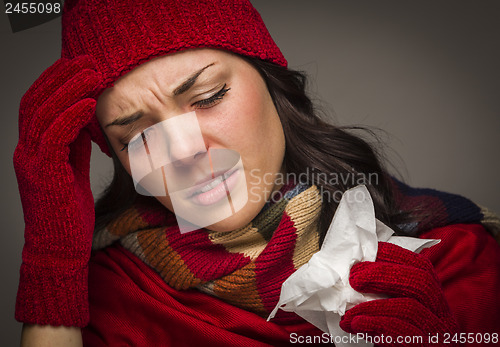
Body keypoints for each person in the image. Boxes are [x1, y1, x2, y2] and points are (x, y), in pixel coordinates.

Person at [14, 0, 500, 346]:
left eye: (207, 99)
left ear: (273, 85)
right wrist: (51, 267)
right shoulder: (109, 293)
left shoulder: (452, 250)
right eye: (134, 136)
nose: (183, 153)